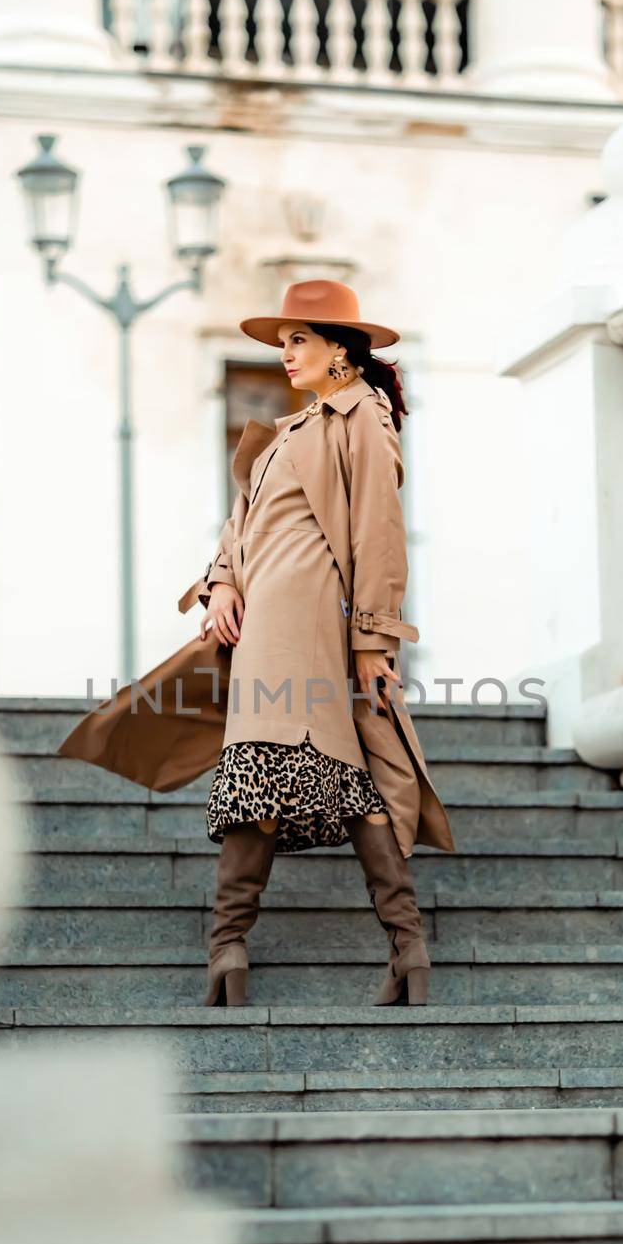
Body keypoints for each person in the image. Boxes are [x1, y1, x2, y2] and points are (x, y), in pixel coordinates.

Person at [198, 278, 454, 1009]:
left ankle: (229, 948)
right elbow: (239, 525)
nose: (285, 353)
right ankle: (404, 949)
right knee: (337, 774)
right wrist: (221, 584)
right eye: (282, 342)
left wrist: (373, 638)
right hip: (263, 623)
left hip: (310, 621)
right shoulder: (288, 432)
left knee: (274, 767)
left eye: (299, 339)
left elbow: (378, 531)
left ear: (342, 351)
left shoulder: (361, 417)